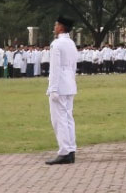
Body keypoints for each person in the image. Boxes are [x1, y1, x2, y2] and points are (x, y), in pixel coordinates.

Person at [46, 15, 79, 165]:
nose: (54, 28)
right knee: (68, 118)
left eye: (56, 25)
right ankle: (71, 149)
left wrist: (52, 88)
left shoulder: (57, 44)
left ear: (60, 27)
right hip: (70, 83)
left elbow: (55, 68)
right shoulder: (71, 43)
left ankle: (65, 151)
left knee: (59, 120)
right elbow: (73, 66)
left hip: (59, 85)